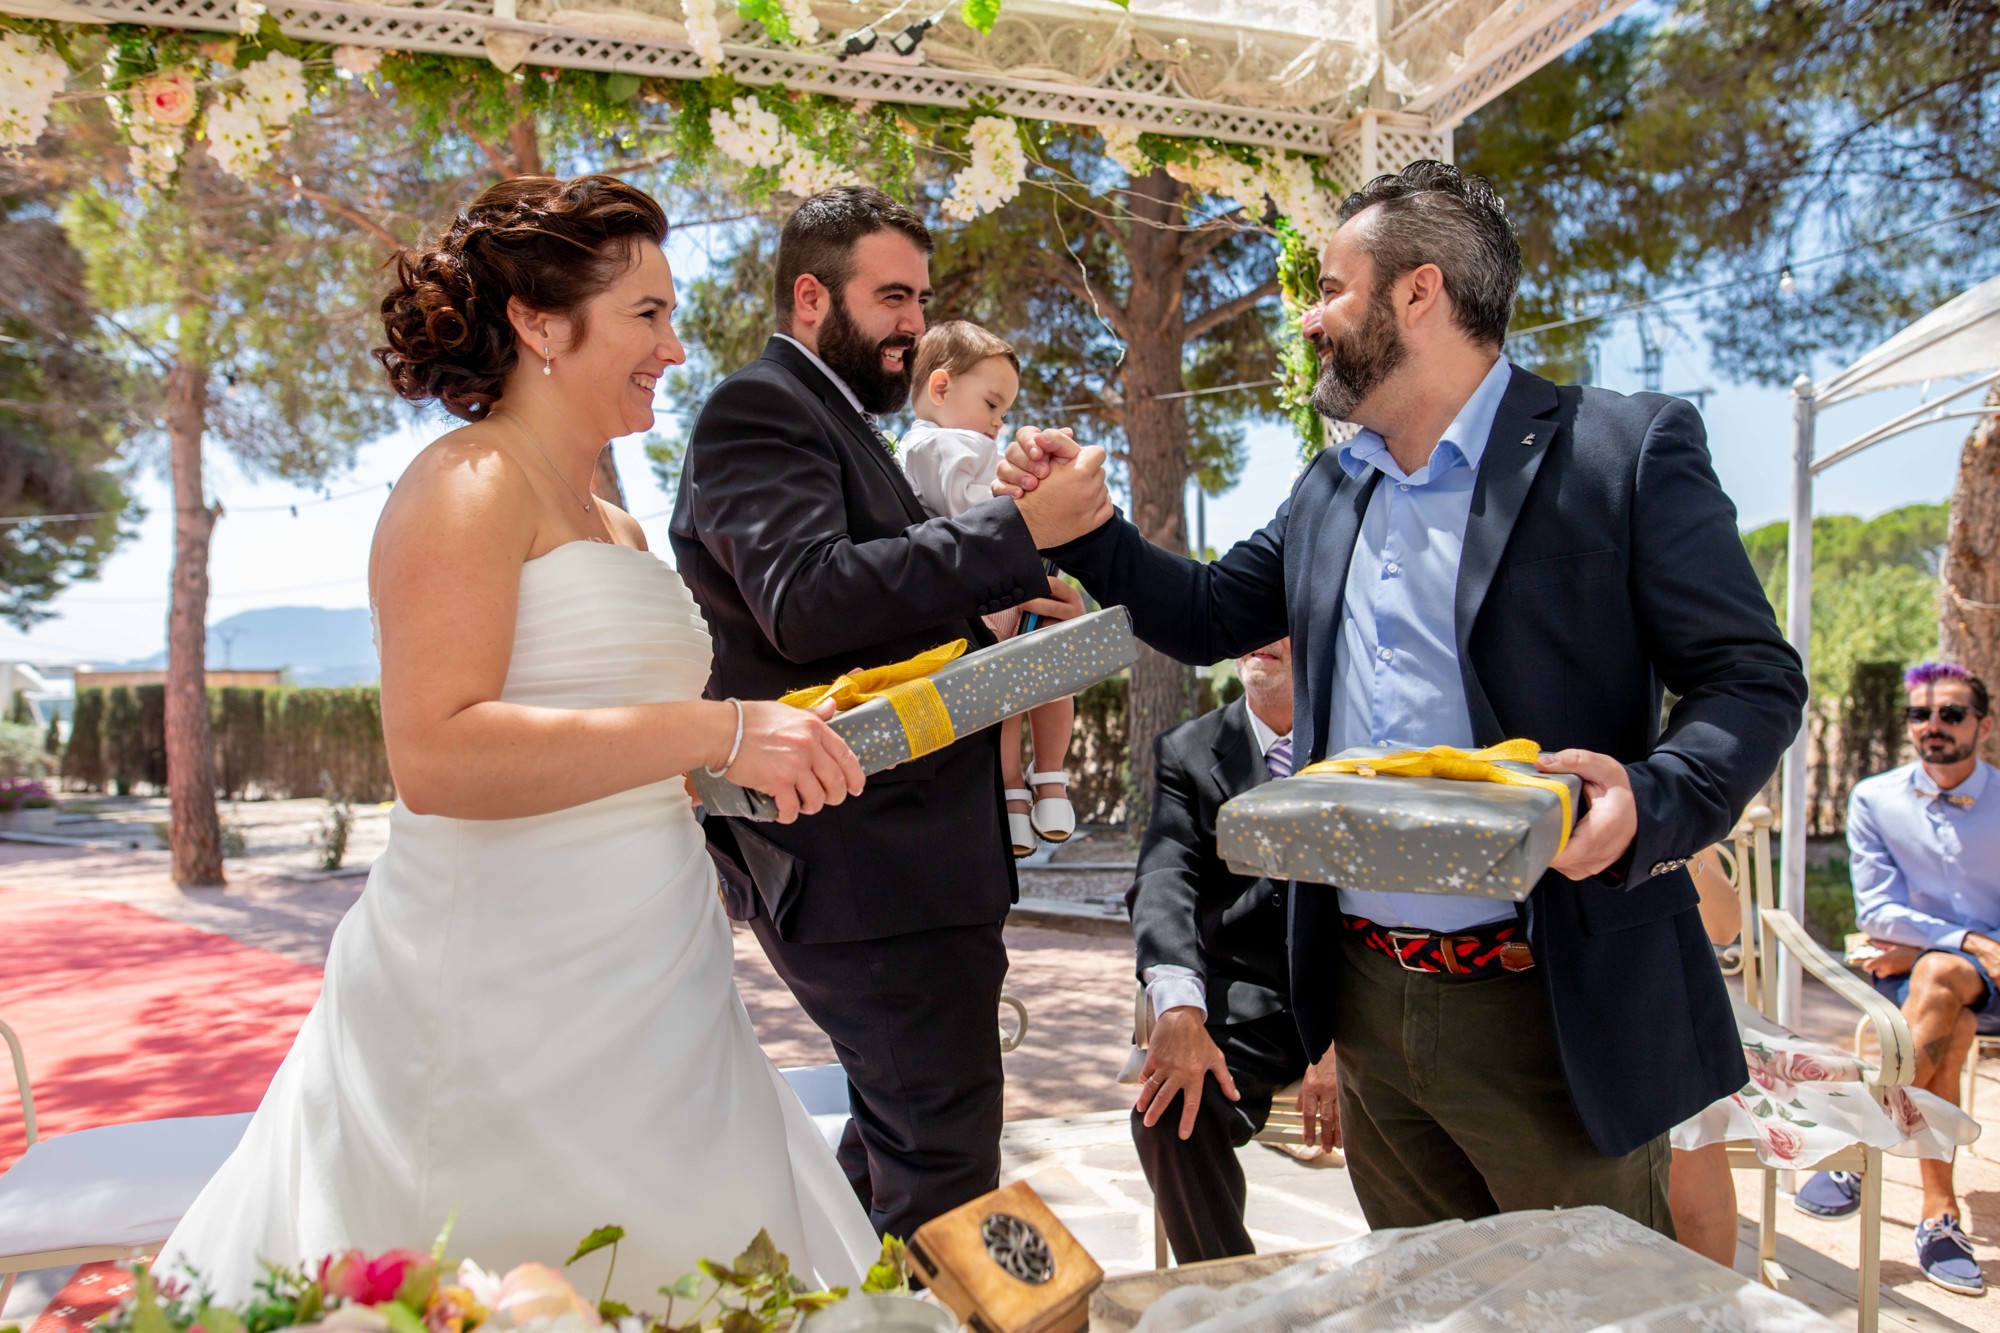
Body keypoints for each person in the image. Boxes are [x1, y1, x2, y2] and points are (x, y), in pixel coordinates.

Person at [998, 160, 1806, 1237]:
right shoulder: (1332, 485)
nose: (1308, 319)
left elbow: (1751, 678)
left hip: (1552, 1003)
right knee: (1420, 1303)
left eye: (1330, 288)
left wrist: (1649, 801)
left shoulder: (1620, 450)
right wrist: (1085, 529)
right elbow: (1199, 616)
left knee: (1581, 1314)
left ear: (1417, 293)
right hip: (1368, 998)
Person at [159, 176, 878, 1300]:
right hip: (500, 992)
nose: (673, 346)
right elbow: (435, 757)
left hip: (655, 970)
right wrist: (715, 726)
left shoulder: (617, 520)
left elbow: (616, 739)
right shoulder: (466, 483)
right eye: (646, 314)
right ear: (541, 323)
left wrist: (746, 755)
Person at [668, 187, 1108, 1240]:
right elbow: (804, 600)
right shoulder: (758, 408)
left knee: (891, 1157)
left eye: (921, 299)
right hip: (867, 872)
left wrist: (1009, 630)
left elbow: (888, 625)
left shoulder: (850, 428)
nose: (913, 322)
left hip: (908, 867)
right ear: (811, 295)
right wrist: (1012, 531)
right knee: (947, 1176)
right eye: (892, 296)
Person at [1126, 638, 1338, 1264]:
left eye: (1278, 621)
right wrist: (1178, 1012)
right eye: (1247, 620)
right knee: (1167, 1116)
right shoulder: (1185, 751)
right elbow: (1164, 879)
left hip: (1362, 996)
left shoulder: (1359, 746)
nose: (1259, 637)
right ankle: (1234, 1299)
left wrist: (1343, 1044)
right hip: (1244, 1012)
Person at [1795, 661, 1999, 1295]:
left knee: (1939, 978)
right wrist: (1957, 942)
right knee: (1949, 1021)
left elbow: (1897, 926)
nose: (1932, 726)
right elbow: (1876, 912)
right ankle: (1940, 1218)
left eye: (1951, 714)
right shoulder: (1874, 797)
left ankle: (1861, 1134)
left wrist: (1924, 948)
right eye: (1920, 714)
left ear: (1983, 726)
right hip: (1915, 979)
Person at [899, 319, 1076, 856]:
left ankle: (1040, 783)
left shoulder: (966, 444)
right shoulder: (933, 446)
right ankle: (1025, 789)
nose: (999, 422)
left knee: (1039, 679)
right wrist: (1035, 495)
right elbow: (971, 513)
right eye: (992, 404)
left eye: (1003, 411)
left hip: (1005, 587)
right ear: (941, 387)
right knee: (1010, 694)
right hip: (984, 592)